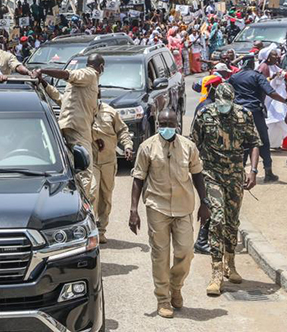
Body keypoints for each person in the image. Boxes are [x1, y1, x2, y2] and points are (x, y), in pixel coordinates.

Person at [129, 110, 209, 319]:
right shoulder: (147, 147)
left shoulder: (188, 147)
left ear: (177, 124)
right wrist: (133, 210)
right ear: (157, 124)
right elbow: (138, 178)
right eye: (162, 123)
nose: (166, 126)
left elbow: (198, 174)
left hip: (184, 207)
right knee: (160, 255)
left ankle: (176, 287)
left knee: (186, 251)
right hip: (158, 207)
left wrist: (204, 202)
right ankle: (163, 299)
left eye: (170, 123)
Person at [191, 83, 261, 296]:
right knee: (218, 219)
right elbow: (194, 145)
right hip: (211, 175)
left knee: (232, 221)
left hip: (235, 176)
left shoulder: (244, 115)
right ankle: (216, 272)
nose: (224, 107)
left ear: (233, 100)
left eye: (227, 104)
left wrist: (254, 171)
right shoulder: (204, 115)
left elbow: (254, 143)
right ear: (216, 100)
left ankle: (230, 262)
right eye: (221, 103)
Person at [32, 53, 105, 201]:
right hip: (77, 129)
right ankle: (81, 205)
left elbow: (61, 100)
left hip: (71, 127)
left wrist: (44, 83)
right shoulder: (89, 74)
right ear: (101, 67)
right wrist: (44, 71)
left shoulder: (81, 86)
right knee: (86, 172)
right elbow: (68, 74)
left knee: (71, 170)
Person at [228, 66, 287, 181]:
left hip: (238, 112)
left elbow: (225, 90)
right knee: (263, 140)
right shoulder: (257, 76)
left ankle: (239, 174)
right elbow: (271, 92)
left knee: (241, 141)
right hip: (255, 112)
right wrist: (286, 101)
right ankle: (268, 172)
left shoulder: (234, 77)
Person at [92, 93, 133, 243]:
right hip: (91, 162)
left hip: (108, 161)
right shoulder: (83, 111)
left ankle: (101, 230)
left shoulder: (110, 112)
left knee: (106, 197)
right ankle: (90, 231)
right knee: (92, 193)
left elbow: (122, 130)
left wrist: (127, 146)